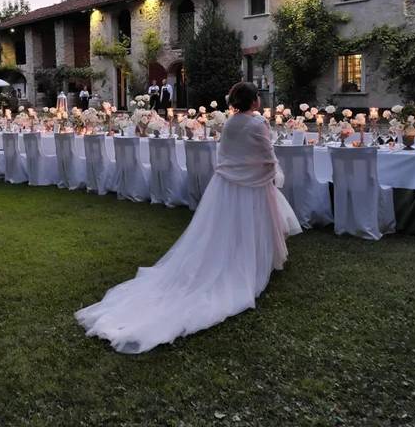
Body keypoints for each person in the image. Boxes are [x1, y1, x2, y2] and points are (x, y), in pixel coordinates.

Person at [75, 81, 301, 353]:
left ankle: (235, 256)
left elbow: (226, 154)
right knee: (250, 223)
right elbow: (266, 156)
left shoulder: (230, 123)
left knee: (225, 227)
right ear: (254, 101)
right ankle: (249, 262)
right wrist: (270, 176)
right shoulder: (257, 124)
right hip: (251, 184)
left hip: (227, 184)